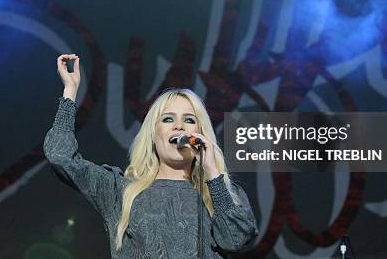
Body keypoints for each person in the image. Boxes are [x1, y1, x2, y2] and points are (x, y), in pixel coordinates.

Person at [44, 54, 258, 258]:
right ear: (153, 135)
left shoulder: (222, 194)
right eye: (167, 119)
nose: (179, 127)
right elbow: (60, 157)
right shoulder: (120, 191)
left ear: (200, 134)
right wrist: (70, 91)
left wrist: (212, 174)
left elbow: (235, 241)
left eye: (189, 120)